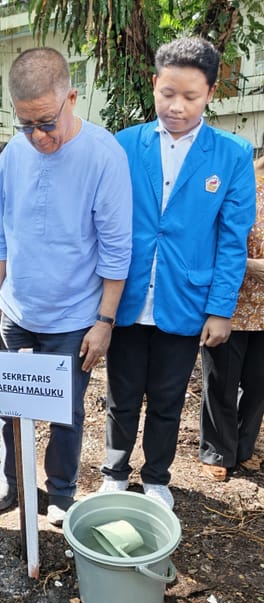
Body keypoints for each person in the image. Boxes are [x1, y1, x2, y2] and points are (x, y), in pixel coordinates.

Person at [99, 37, 256, 509]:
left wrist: (221, 310)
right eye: (168, 93)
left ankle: (157, 476)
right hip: (126, 295)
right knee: (121, 393)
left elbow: (232, 240)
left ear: (210, 93)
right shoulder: (125, 145)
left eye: (190, 96)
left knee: (168, 399)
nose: (177, 106)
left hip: (185, 298)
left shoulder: (231, 155)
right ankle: (114, 469)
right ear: (154, 85)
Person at [0, 47, 133, 526]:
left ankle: (62, 490)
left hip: (74, 318)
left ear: (72, 97)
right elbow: (2, 231)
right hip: (18, 311)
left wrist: (104, 321)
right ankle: (12, 477)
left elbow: (116, 249)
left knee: (65, 412)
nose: (37, 136)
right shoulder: (14, 154)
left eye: (45, 122)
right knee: (8, 408)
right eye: (25, 124)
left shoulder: (104, 155)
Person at [199, 156, 264, 480]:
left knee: (258, 384)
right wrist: (252, 267)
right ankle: (217, 450)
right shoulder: (238, 183)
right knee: (222, 381)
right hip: (230, 303)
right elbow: (208, 240)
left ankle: (244, 447)